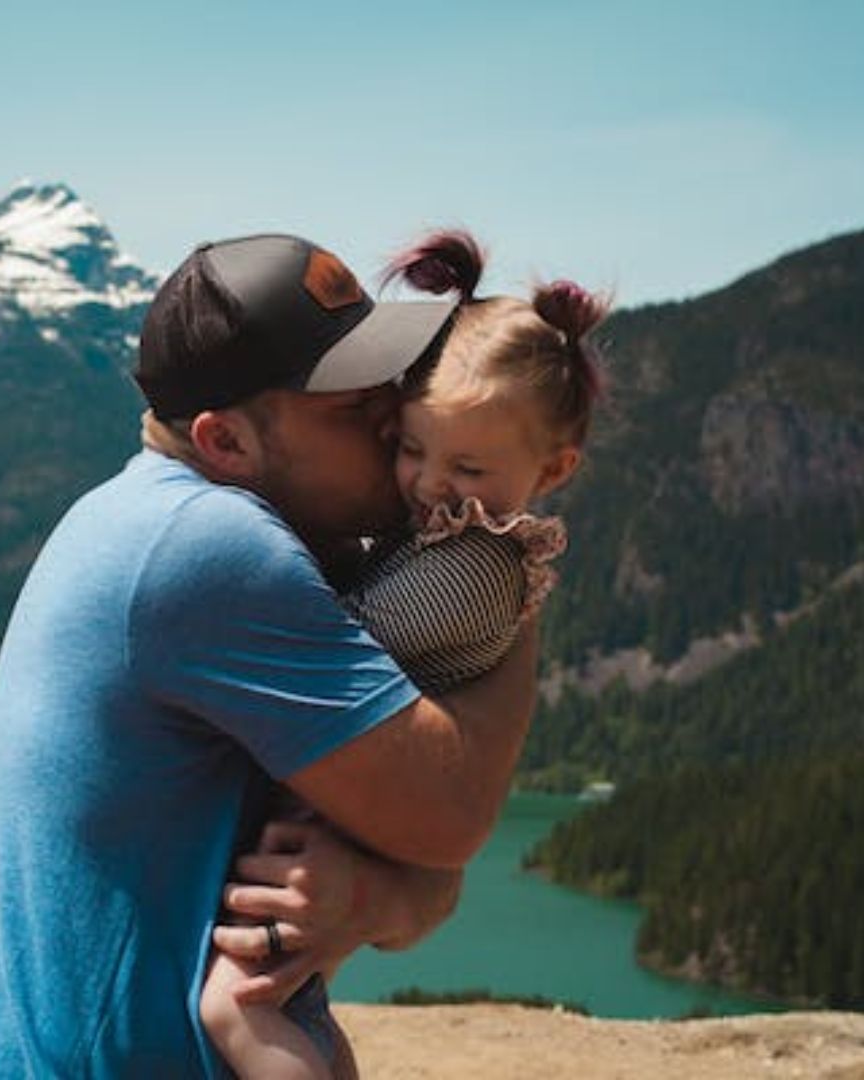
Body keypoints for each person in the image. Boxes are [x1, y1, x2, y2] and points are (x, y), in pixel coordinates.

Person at [0, 233, 540, 1079]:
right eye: (348, 402)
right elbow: (449, 813)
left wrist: (370, 895)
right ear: (225, 441)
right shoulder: (208, 548)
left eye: (387, 380)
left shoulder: (135, 514)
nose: (392, 415)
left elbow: (426, 871)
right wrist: (508, 558)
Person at [198, 230, 608, 1078]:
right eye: (410, 447)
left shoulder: (473, 566)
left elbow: (347, 636)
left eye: (465, 466)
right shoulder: (457, 533)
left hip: (348, 812)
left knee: (239, 1001)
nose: (425, 483)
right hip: (359, 803)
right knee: (295, 1000)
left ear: (555, 467)